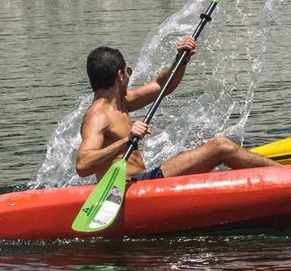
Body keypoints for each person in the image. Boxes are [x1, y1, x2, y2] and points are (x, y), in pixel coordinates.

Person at [76, 38, 279, 181]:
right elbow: (83, 165)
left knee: (201, 152)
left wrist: (181, 60)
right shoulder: (98, 115)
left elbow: (162, 85)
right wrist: (125, 141)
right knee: (221, 146)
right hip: (129, 188)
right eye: (128, 71)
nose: (130, 75)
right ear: (120, 75)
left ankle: (282, 174)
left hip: (143, 181)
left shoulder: (122, 102)